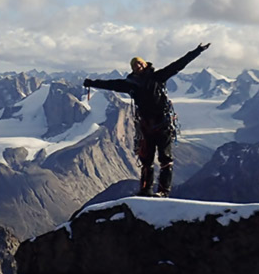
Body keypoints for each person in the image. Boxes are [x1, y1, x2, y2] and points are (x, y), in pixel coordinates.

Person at [83, 43, 211, 197]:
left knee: (165, 158)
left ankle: (163, 191)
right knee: (146, 160)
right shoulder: (131, 85)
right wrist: (92, 83)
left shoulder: (158, 77)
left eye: (139, 63)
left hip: (162, 124)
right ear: (133, 69)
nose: (137, 66)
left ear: (145, 64)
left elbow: (179, 64)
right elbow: (111, 84)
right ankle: (146, 190)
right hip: (147, 126)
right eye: (134, 65)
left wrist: (197, 51)